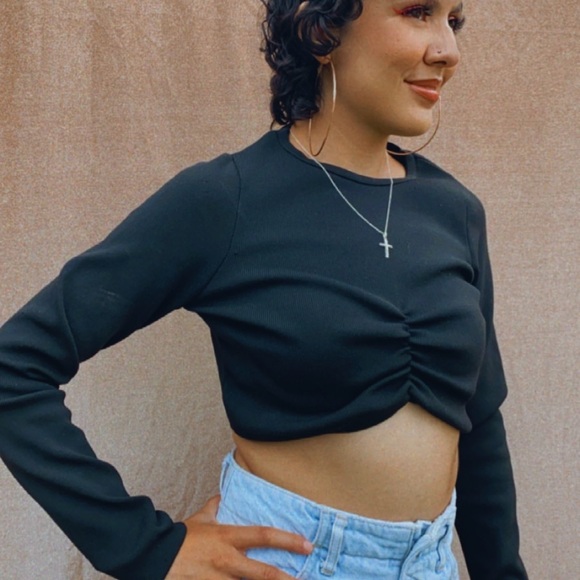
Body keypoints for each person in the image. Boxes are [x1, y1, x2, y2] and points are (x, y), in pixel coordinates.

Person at [0, 1, 528, 578]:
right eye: (417, 11)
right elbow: (15, 368)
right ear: (320, 28)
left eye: (453, 20)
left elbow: (480, 423)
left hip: (431, 563)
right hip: (287, 563)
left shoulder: (456, 212)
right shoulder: (226, 200)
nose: (448, 50)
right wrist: (146, 548)